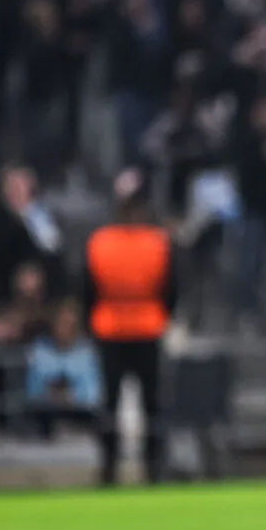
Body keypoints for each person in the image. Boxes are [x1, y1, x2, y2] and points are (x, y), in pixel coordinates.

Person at [83, 169, 176, 486]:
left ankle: (110, 466)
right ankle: (153, 465)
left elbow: (87, 290)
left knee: (111, 402)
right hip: (147, 326)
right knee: (150, 402)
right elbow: (171, 290)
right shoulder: (157, 242)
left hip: (110, 328)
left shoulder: (100, 242)